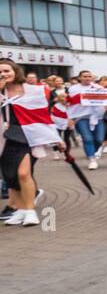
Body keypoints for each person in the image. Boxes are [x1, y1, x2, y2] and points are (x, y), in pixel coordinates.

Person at [1, 58, 59, 227]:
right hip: (5, 139)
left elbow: (42, 116)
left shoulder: (33, 91)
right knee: (10, 177)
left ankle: (30, 210)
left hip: (28, 137)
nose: (3, 74)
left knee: (23, 174)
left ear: (15, 71)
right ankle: (20, 210)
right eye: (0, 72)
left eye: (6, 71)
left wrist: (55, 138)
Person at [67, 69, 107, 169]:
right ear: (80, 78)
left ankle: (92, 151)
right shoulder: (73, 88)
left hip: (98, 117)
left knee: (99, 139)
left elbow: (106, 99)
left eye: (89, 76)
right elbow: (71, 103)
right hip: (81, 117)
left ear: (92, 78)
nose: (87, 78)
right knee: (87, 138)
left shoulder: (98, 87)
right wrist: (71, 118)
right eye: (84, 76)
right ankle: (92, 159)